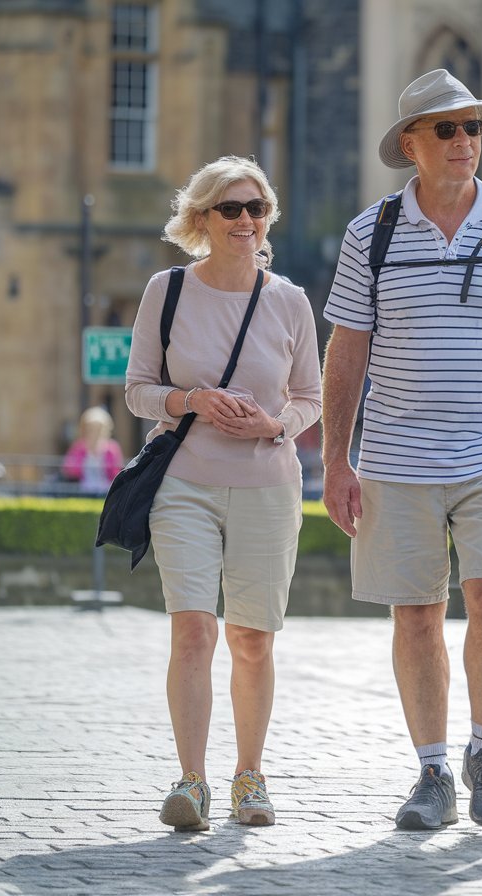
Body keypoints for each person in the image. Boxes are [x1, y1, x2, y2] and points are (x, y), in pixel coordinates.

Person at [321, 69, 482, 830]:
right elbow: (347, 351)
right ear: (410, 144)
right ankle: (432, 771)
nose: (464, 141)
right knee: (415, 615)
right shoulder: (374, 232)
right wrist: (337, 459)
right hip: (397, 454)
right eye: (446, 129)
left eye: (473, 128)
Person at [124, 156, 322, 832]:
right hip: (184, 483)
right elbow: (137, 389)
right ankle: (192, 781)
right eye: (231, 209)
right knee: (193, 629)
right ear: (203, 218)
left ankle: (250, 778)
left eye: (256, 209)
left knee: (253, 640)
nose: (246, 221)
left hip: (267, 483)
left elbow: (311, 398)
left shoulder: (290, 300)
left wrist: (277, 424)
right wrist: (189, 400)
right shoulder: (168, 290)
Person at [61, 406, 124, 495]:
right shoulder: (78, 447)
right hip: (82, 491)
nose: (94, 432)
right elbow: (68, 470)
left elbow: (116, 472)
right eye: (91, 428)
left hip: (106, 491)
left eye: (98, 428)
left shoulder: (112, 448)